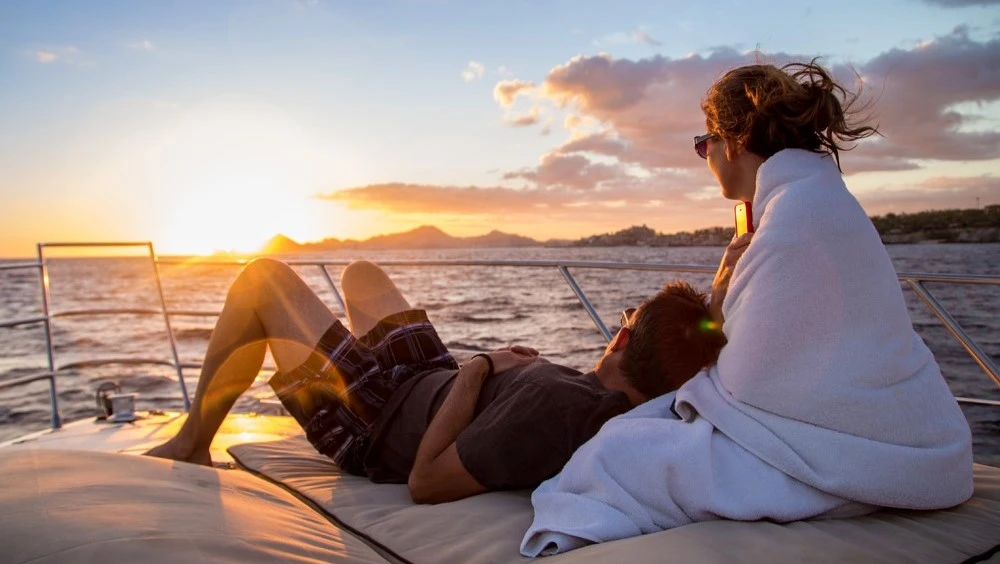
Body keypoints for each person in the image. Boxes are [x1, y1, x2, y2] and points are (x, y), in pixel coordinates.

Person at [520, 60, 974, 556]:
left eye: (703, 145)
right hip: (910, 433)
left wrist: (693, 382)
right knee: (641, 428)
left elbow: (749, 386)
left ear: (730, 141)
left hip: (847, 448)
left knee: (613, 454)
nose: (705, 157)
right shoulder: (821, 201)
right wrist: (721, 296)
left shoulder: (789, 219)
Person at [146, 258, 726, 503]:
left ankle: (193, 443)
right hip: (431, 378)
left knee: (261, 280)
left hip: (379, 414)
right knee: (360, 273)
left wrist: (480, 368)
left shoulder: (556, 407)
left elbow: (426, 480)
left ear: (623, 339)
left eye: (626, 318)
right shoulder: (617, 406)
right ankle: (346, 348)